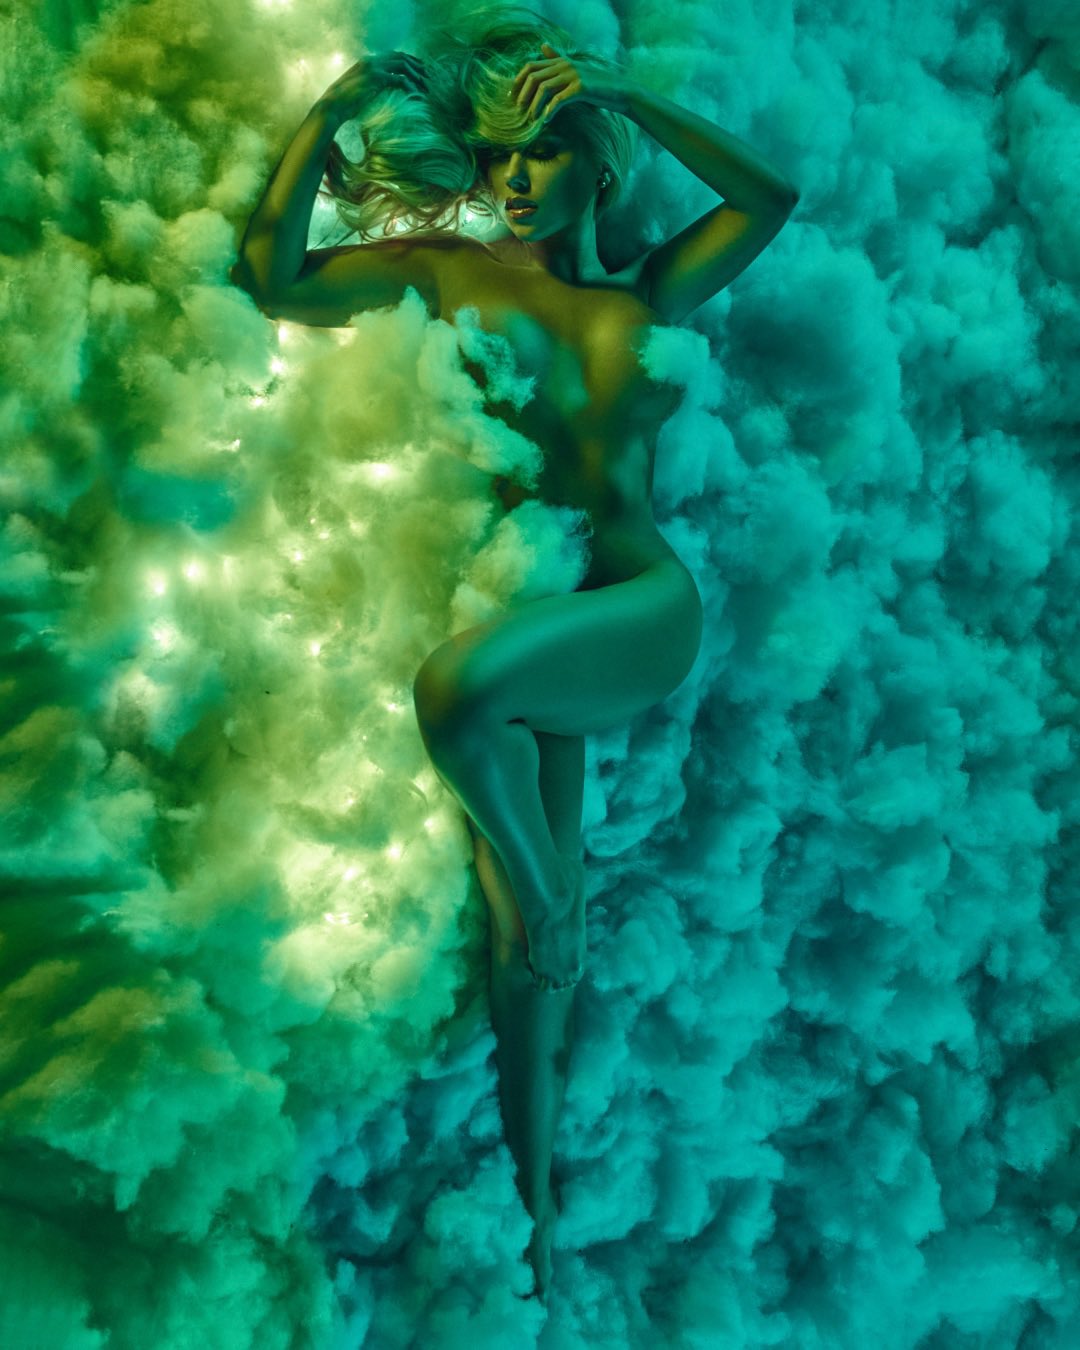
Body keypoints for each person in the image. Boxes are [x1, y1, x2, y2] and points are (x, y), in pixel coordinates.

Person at [232, 4, 798, 1307]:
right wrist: (326, 120)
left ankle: (551, 896)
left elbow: (770, 200)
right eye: (499, 156)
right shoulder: (445, 270)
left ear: (595, 159)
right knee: (519, 950)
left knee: (458, 700)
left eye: (544, 148)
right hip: (534, 605)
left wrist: (625, 95)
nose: (518, 177)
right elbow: (278, 278)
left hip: (636, 605)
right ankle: (538, 1216)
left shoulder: (643, 292)